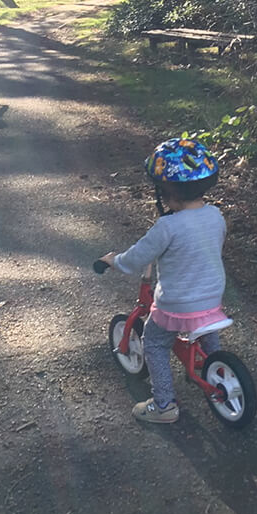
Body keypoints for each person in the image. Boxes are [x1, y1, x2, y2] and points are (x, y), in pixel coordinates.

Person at [99, 138, 226, 424]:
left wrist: (113, 260)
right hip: (212, 296)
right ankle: (214, 368)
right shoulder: (216, 216)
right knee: (206, 327)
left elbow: (135, 259)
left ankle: (164, 403)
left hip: (177, 303)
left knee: (154, 342)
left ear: (168, 194)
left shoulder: (167, 226)